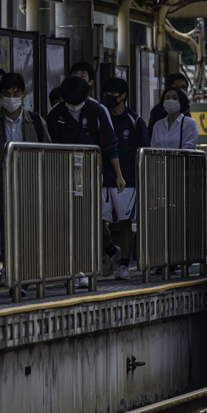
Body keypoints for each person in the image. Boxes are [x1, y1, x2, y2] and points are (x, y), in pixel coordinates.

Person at [0, 73, 48, 295]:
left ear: (24, 95)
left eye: (16, 94)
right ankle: (17, 277)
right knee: (8, 235)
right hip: (2, 190)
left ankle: (23, 277)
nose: (11, 99)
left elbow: (50, 154)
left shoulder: (35, 121)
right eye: (6, 95)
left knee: (29, 233)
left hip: (32, 188)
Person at [47, 76, 125, 280]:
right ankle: (87, 260)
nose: (74, 108)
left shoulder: (98, 110)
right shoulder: (56, 113)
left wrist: (118, 174)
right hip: (63, 172)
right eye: (70, 104)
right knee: (68, 219)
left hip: (89, 171)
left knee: (85, 218)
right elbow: (53, 144)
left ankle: (83, 268)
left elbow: (110, 144)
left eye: (78, 104)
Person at [100, 78, 148, 280]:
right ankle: (111, 251)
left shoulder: (135, 121)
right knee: (98, 221)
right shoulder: (100, 118)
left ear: (123, 96)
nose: (109, 97)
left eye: (114, 94)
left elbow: (144, 151)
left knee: (125, 222)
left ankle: (125, 265)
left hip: (127, 180)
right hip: (103, 178)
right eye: (107, 93)